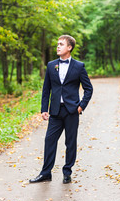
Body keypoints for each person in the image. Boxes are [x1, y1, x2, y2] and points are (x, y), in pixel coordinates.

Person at [29, 35, 93, 184]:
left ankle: (67, 172)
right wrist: (44, 109)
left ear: (69, 47)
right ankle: (45, 173)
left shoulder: (79, 66)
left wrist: (81, 106)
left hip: (72, 111)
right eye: (57, 44)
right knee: (49, 140)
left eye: (61, 44)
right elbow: (46, 89)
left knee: (70, 143)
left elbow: (88, 89)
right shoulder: (51, 65)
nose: (57, 46)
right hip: (55, 111)